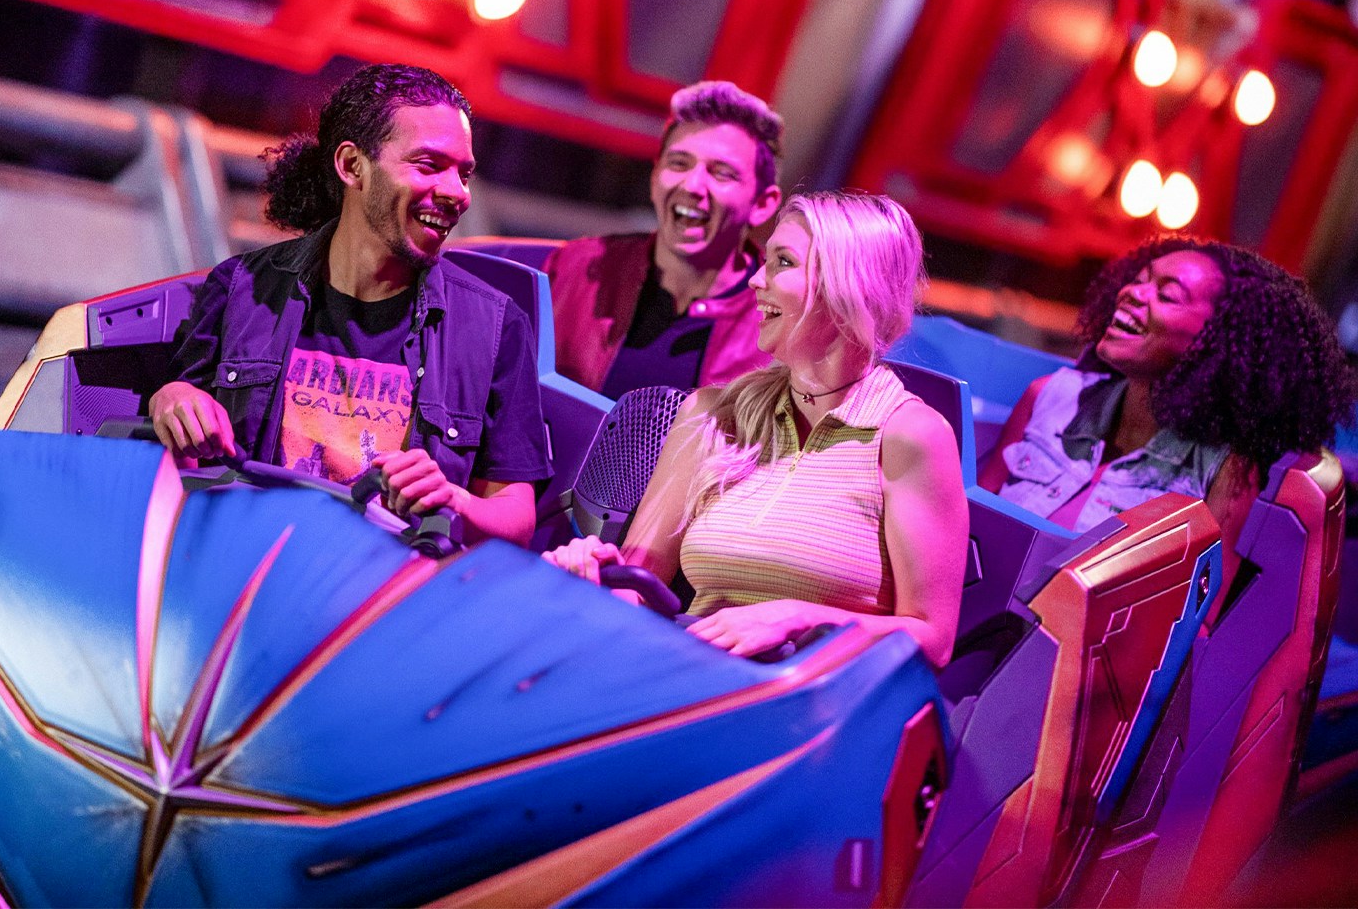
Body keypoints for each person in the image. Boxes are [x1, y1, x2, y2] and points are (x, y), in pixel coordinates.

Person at [545, 192, 968, 667]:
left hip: (816, 704)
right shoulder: (711, 411)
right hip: (689, 677)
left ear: (849, 285)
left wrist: (795, 617)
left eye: (782, 262)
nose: (755, 280)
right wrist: (595, 575)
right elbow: (639, 587)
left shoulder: (910, 435)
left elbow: (932, 639)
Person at [151, 63, 552, 545]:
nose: (456, 193)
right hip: (246, 561)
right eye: (429, 165)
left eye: (463, 173)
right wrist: (170, 396)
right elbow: (176, 431)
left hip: (390, 595)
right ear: (352, 166)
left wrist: (455, 501)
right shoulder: (240, 288)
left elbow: (518, 519)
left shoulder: (495, 326)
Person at [978, 236, 1355, 560]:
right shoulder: (1048, 395)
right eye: (1138, 281)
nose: (1131, 293)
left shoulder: (1225, 469)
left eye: (1167, 294)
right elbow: (971, 519)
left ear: (1217, 339)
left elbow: (1200, 620)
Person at [543, 81, 784, 399]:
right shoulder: (577, 268)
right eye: (679, 163)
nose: (693, 185)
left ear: (762, 204)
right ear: (655, 177)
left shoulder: (783, 319)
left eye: (722, 172)